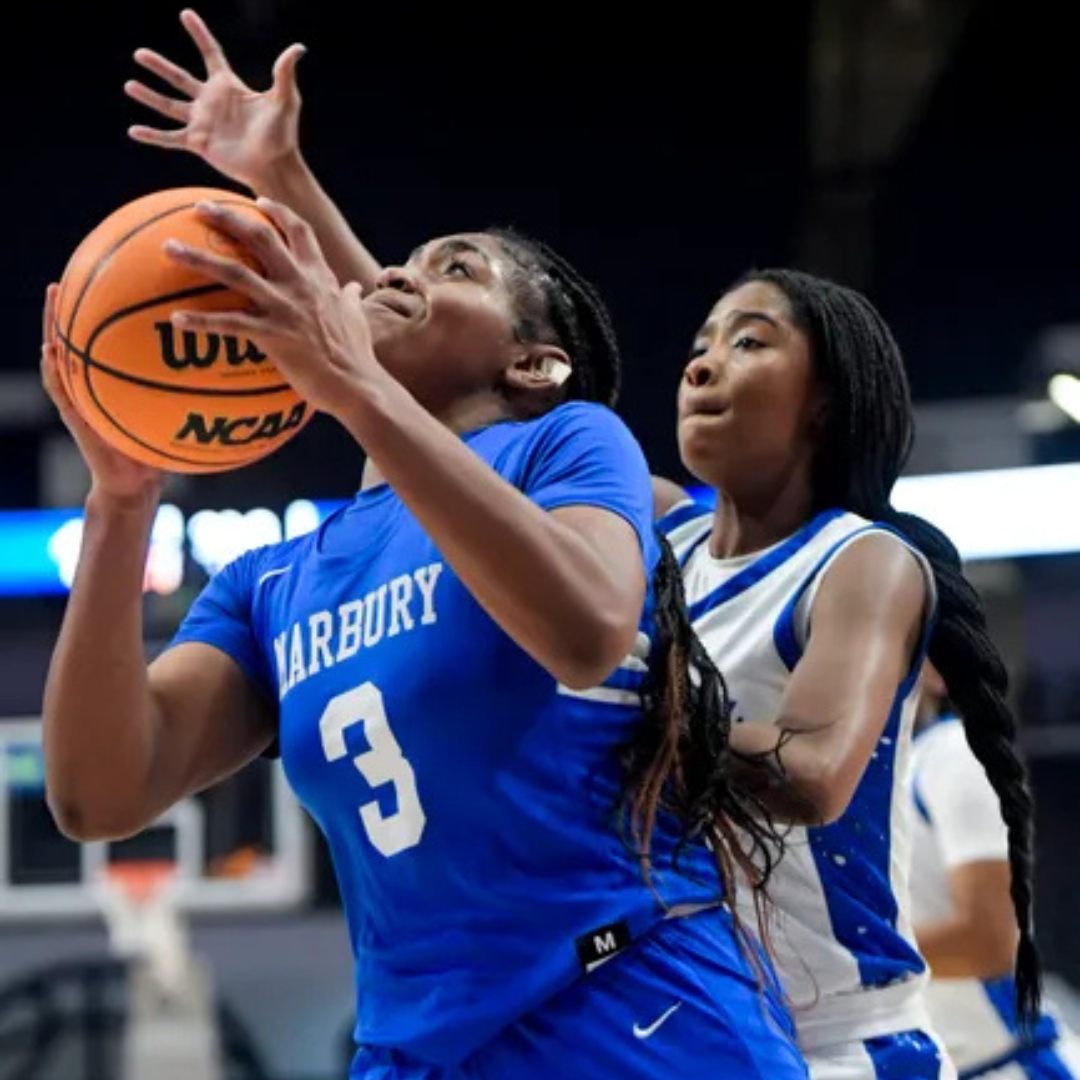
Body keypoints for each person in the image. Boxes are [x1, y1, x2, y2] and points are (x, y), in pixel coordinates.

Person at [42, 16, 810, 1080]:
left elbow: (586, 630)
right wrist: (121, 499)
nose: (394, 277)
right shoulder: (273, 583)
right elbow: (97, 795)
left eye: (451, 268)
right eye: (394, 265)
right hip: (418, 1054)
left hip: (631, 1014)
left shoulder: (567, 445)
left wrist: (357, 378)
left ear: (535, 363)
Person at [650, 269, 1041, 1080]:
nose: (702, 364)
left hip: (834, 1045)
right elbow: (501, 421)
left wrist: (623, 705)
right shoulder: (667, 545)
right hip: (693, 1025)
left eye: (749, 341)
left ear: (824, 400)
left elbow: (810, 773)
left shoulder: (859, 560)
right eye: (699, 345)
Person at [910, 661, 1080, 1080]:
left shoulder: (953, 751)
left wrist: (842, 960)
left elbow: (990, 941)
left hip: (1014, 1065)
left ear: (937, 670)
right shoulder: (857, 781)